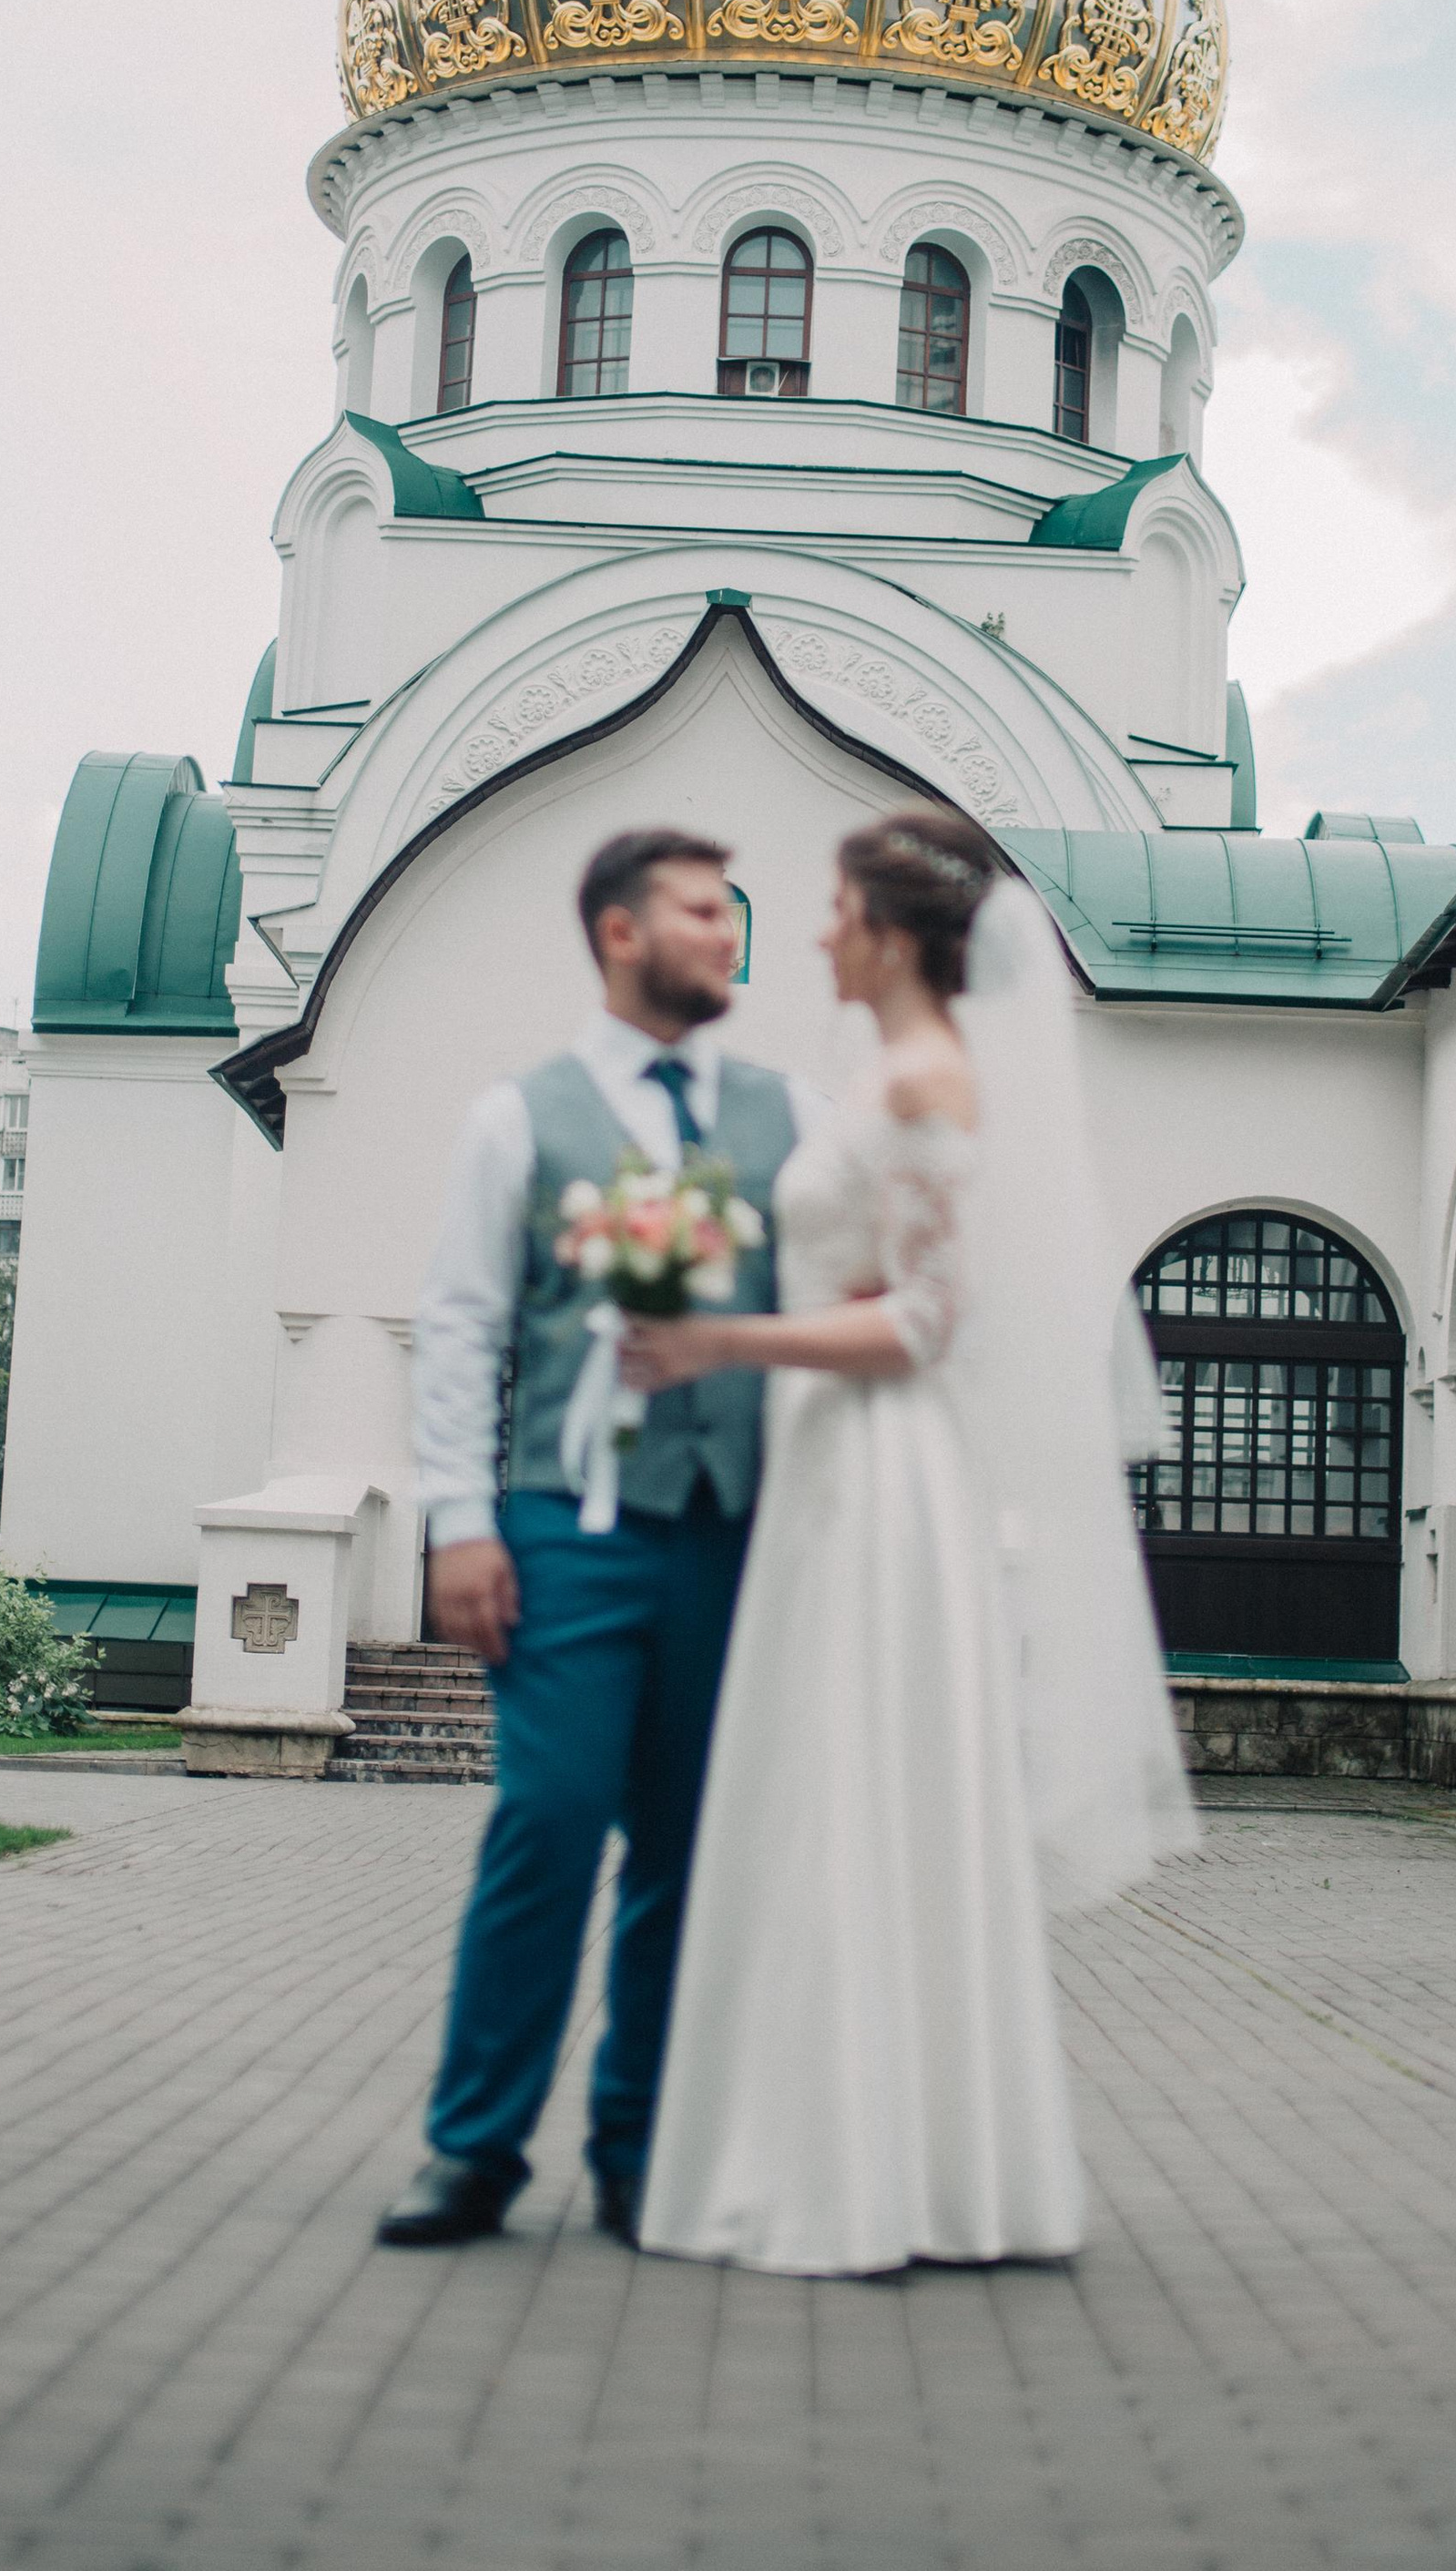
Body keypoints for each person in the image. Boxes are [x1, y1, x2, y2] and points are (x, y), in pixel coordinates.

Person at [618, 804, 1194, 2277]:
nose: (814, 931)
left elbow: (932, 1321)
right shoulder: (882, 1077)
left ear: (886, 930)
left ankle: (875, 2175)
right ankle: (840, 2147)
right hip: (828, 1461)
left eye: (833, 907)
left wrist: (719, 1341)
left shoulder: (934, 1079)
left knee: (857, 1786)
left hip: (883, 1475)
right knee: (816, 1792)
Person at [376, 825, 816, 2250]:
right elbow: (462, 1325)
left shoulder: (791, 1116)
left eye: (729, 911)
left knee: (690, 1850)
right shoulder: (520, 1119)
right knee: (550, 1820)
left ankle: (641, 2153)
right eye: (698, 910)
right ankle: (475, 2147)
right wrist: (458, 1521)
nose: (725, 932)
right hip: (568, 1526)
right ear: (620, 934)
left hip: (733, 1533)